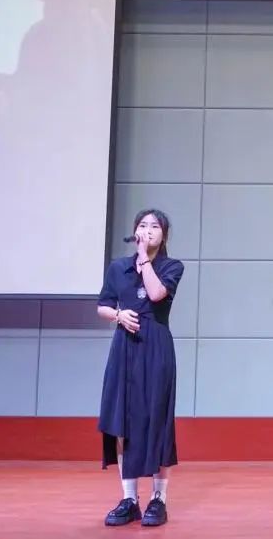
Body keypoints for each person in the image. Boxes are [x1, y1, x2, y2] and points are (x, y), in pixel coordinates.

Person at [96, 208, 184, 527]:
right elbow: (103, 306)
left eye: (154, 226)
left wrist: (144, 257)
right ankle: (129, 498)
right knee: (122, 419)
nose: (147, 230)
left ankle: (158, 499)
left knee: (157, 419)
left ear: (164, 235)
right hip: (125, 347)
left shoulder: (171, 267)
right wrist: (118, 315)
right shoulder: (118, 268)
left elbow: (157, 294)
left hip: (156, 347)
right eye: (142, 225)